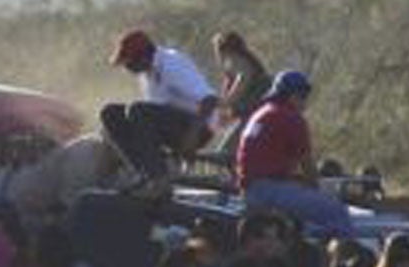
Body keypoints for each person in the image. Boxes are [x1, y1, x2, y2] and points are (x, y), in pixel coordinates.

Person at [234, 70, 355, 240]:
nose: (305, 101)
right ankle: (333, 257)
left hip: (251, 190)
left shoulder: (262, 113)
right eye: (303, 95)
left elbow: (266, 162)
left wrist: (297, 181)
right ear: (293, 94)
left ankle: (298, 239)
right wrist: (318, 190)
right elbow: (308, 167)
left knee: (306, 212)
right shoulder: (290, 117)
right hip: (270, 191)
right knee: (337, 212)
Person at [101, 29, 217, 190]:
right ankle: (144, 172)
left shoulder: (171, 64)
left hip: (197, 128)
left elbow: (210, 99)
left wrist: (192, 137)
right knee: (110, 113)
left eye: (128, 62)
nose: (126, 68)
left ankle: (159, 179)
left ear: (142, 57)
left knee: (137, 110)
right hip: (173, 126)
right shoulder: (146, 74)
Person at [212, 30, 271, 152]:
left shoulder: (235, 59)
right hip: (256, 116)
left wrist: (224, 102)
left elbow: (243, 79)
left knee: (225, 151)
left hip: (256, 117)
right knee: (228, 150)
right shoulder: (241, 62)